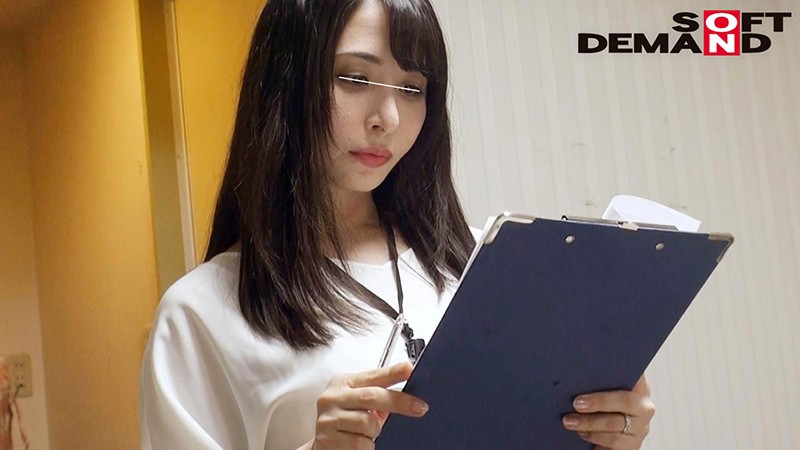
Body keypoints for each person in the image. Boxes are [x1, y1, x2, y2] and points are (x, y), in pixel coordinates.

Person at [140, 0, 656, 449]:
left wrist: (603, 435)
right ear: (285, 80)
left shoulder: (481, 267)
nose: (387, 117)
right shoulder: (202, 312)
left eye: (412, 87)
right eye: (354, 78)